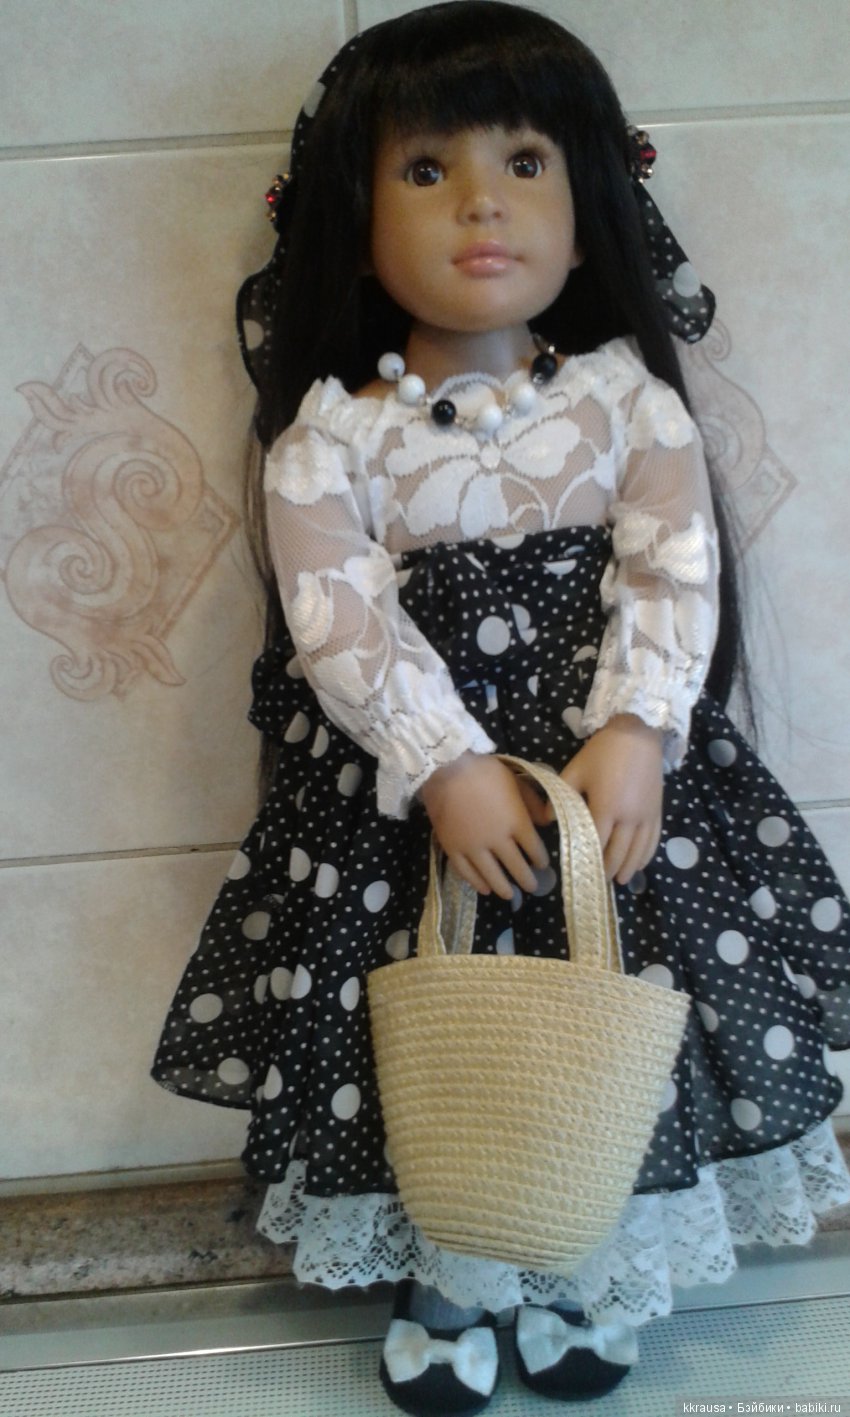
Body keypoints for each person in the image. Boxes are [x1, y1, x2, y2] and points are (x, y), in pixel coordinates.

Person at [152, 4, 850, 1411]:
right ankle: (452, 1273)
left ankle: (585, 1255)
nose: (482, 202)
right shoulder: (331, 441)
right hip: (407, 814)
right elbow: (338, 618)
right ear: (353, 225)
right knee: (427, 1038)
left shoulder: (624, 405)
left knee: (615, 1024)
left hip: (615, 795)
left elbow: (672, 563)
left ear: (590, 215)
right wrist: (443, 761)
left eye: (525, 162)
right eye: (426, 171)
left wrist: (640, 723)